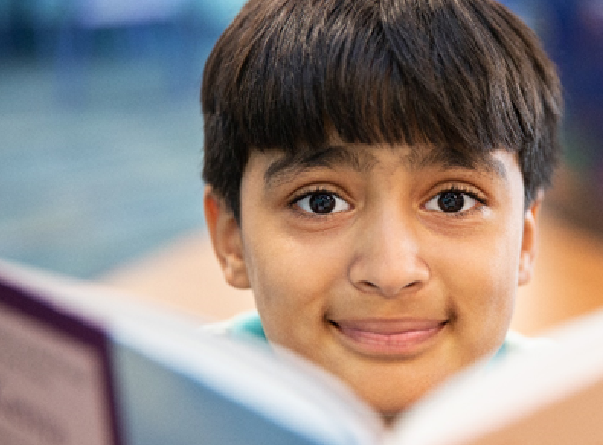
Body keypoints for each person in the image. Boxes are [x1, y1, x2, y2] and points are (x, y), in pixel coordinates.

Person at [200, 0, 563, 423]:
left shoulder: (589, 409)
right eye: (321, 202)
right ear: (232, 239)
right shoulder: (165, 413)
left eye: (452, 200)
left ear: (525, 240)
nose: (391, 272)